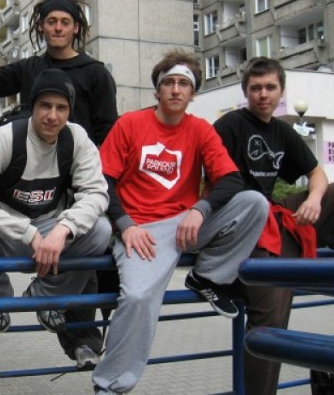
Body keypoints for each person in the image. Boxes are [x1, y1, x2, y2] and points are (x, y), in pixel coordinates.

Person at [0, 0, 119, 365]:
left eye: (61, 108)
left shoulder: (94, 78)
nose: (53, 115)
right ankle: (0, 301)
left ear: (76, 28)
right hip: (17, 201)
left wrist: (67, 223)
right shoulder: (13, 118)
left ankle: (67, 325)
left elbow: (109, 137)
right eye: (45, 106)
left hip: (69, 188)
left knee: (95, 238)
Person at [91, 50, 269, 394]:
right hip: (141, 229)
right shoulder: (130, 123)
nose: (175, 89)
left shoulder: (200, 129)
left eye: (183, 84)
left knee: (254, 203)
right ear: (157, 91)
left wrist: (200, 208)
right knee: (139, 297)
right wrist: (125, 224)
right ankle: (110, 385)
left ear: (192, 93)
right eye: (168, 83)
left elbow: (231, 178)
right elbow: (103, 181)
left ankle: (208, 276)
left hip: (187, 224)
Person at [212, 56, 334, 395]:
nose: (262, 94)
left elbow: (317, 173)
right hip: (243, 224)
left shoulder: (282, 130)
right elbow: (212, 183)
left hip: (276, 214)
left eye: (270, 87)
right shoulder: (230, 126)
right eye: (255, 88)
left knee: (333, 193)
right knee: (273, 316)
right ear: (245, 92)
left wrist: (313, 198)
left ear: (281, 91)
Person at [0, 0, 117, 146]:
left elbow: (108, 133)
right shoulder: (29, 68)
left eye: (65, 22)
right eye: (52, 22)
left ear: (75, 28)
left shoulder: (96, 73)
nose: (58, 28)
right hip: (32, 168)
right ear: (40, 26)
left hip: (77, 170)